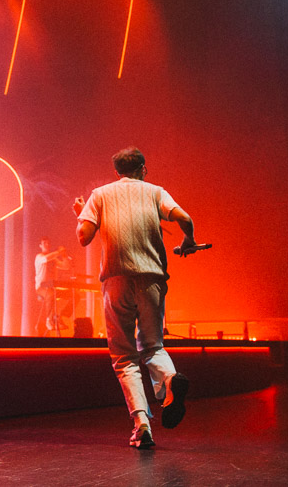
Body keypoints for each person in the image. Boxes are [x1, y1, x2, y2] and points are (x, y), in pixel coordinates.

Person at [73, 147, 196, 449]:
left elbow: (84, 237)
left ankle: (141, 424)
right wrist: (188, 240)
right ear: (143, 168)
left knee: (124, 356)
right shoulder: (155, 192)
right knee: (153, 345)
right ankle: (169, 380)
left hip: (116, 281)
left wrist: (80, 216)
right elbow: (184, 217)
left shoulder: (99, 195)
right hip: (152, 279)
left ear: (116, 172)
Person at [34, 236, 72, 335]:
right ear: (40, 245)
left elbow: (66, 266)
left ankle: (61, 316)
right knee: (50, 293)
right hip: (41, 288)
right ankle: (49, 320)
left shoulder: (53, 259)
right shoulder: (39, 257)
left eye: (48, 243)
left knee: (74, 295)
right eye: (44, 243)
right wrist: (59, 252)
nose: (47, 245)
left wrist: (64, 256)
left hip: (52, 288)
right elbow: (46, 258)